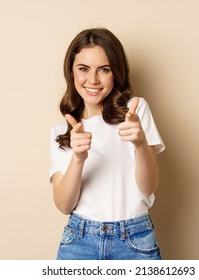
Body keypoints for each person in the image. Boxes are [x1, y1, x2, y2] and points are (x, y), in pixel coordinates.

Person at [49, 28, 165, 260]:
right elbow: (63, 205)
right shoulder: (62, 131)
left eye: (104, 69)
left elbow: (148, 186)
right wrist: (78, 158)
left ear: (117, 73)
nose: (93, 80)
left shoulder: (135, 111)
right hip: (79, 241)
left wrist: (141, 143)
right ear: (71, 71)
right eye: (83, 69)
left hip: (134, 239)